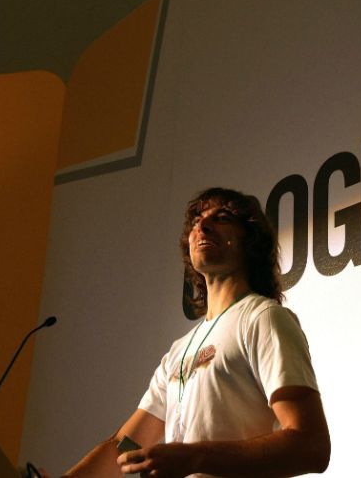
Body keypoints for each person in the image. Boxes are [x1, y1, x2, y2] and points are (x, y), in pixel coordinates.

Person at [63, 187, 330, 478]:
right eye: (196, 221)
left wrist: (194, 457)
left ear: (250, 240)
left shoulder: (263, 318)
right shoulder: (178, 351)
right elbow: (122, 446)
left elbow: (311, 446)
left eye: (222, 218)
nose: (202, 226)